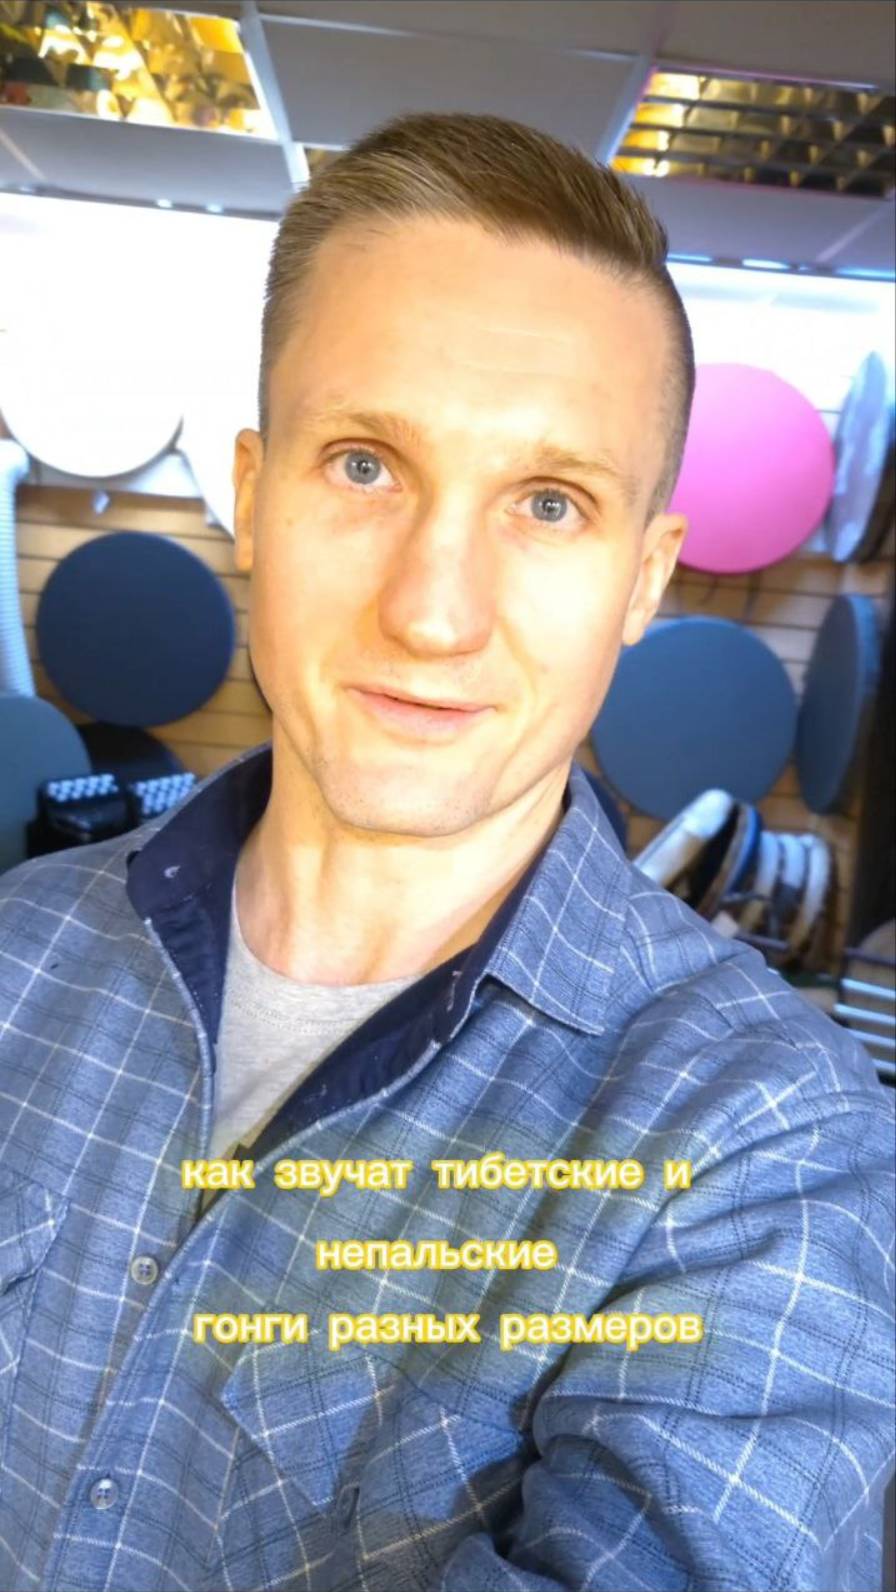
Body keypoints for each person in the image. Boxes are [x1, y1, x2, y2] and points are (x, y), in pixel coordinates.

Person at [0, 111, 893, 1592]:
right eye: (365, 464)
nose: (433, 610)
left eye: (549, 503)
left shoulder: (764, 1146)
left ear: (643, 580)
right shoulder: (16, 951)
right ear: (253, 496)